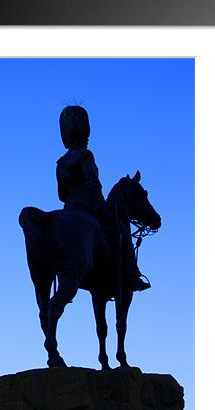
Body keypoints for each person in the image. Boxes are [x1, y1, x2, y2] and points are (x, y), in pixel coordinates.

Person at [55, 105, 150, 292]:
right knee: (121, 230)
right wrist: (101, 205)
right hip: (90, 206)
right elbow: (93, 184)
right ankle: (132, 275)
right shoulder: (86, 156)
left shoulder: (61, 162)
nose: (87, 139)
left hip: (69, 208)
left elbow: (61, 195)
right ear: (82, 132)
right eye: (86, 135)